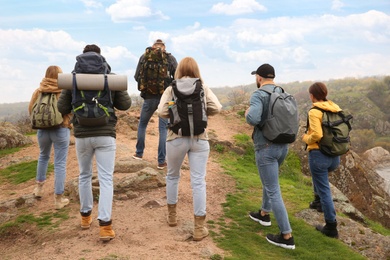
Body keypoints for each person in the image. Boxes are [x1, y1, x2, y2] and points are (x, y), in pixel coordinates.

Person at [58, 44, 132, 241]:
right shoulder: (110, 77)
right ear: (101, 58)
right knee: (106, 178)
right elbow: (125, 105)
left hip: (82, 135)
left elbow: (62, 106)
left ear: (81, 58)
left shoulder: (73, 78)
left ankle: (85, 217)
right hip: (105, 134)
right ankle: (105, 226)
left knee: (84, 175)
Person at [157, 57, 222, 241]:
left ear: (179, 70)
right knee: (198, 181)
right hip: (200, 138)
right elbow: (217, 107)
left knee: (172, 176)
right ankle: (199, 228)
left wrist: (174, 111)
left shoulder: (171, 88)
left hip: (176, 138)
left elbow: (161, 111)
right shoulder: (202, 87)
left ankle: (172, 217)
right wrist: (201, 113)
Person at [245, 63, 295, 250]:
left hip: (266, 146)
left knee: (273, 189)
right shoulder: (283, 92)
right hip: (283, 146)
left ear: (259, 77)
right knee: (270, 182)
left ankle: (286, 236)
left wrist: (247, 114)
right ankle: (264, 214)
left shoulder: (258, 94)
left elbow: (254, 119)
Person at [28, 65, 72, 210]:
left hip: (42, 130)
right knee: (59, 163)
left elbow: (31, 110)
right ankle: (58, 200)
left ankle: (39, 189)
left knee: (43, 156)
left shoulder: (39, 91)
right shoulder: (63, 90)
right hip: (60, 129)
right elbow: (69, 110)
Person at [302, 82, 340, 238]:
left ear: (312, 95)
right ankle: (317, 202)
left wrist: (306, 138)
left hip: (319, 154)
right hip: (334, 155)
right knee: (320, 180)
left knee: (325, 190)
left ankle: (331, 227)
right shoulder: (334, 107)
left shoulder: (314, 111)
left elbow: (317, 135)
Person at [133, 39, 178, 169]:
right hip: (166, 98)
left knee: (142, 124)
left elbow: (137, 76)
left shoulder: (144, 57)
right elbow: (178, 77)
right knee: (163, 128)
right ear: (164, 47)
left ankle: (139, 153)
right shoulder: (170, 58)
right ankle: (161, 161)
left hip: (148, 97)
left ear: (153, 46)